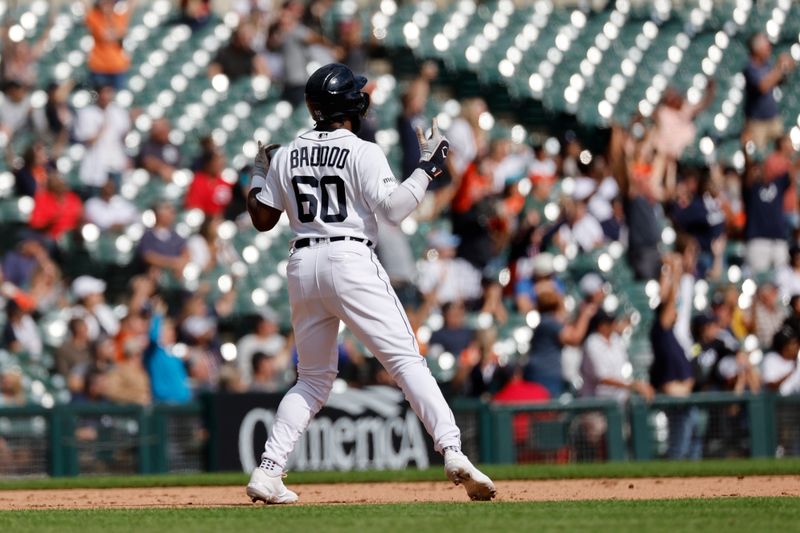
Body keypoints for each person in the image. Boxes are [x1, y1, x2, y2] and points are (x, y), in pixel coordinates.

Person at [244, 63, 495, 503]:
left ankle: (268, 469)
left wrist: (258, 171)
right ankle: (452, 451)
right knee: (405, 362)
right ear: (353, 104)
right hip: (350, 259)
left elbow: (263, 219)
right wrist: (430, 167)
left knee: (313, 379)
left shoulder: (288, 151)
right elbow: (395, 210)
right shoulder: (362, 149)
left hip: (303, 264)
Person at [649, 253, 699, 460]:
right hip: (674, 395)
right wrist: (675, 273)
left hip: (683, 396)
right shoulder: (661, 330)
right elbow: (669, 301)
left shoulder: (669, 333)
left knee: (691, 444)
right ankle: (671, 487)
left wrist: (670, 272)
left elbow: (668, 301)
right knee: (678, 448)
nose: (675, 312)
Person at [523, 289, 596, 397]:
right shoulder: (549, 322)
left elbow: (568, 329)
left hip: (542, 372)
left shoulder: (546, 321)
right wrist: (585, 314)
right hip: (545, 374)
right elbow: (575, 338)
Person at [580, 310, 654, 402]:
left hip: (619, 401)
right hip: (596, 403)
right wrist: (634, 385)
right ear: (601, 326)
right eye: (609, 323)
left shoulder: (616, 339)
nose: (613, 324)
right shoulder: (592, 342)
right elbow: (603, 378)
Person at [73, 84, 131, 194]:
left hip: (116, 162)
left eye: (109, 92)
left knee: (115, 198)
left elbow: (124, 138)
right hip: (95, 164)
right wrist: (101, 130)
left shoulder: (119, 112)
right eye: (103, 93)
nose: (106, 96)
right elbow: (86, 139)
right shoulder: (86, 113)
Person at [743, 33, 795, 151]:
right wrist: (779, 67)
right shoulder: (750, 68)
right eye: (766, 47)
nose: (769, 50)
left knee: (784, 148)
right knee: (758, 154)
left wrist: (786, 69)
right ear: (757, 49)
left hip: (772, 117)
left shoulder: (767, 64)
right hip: (756, 122)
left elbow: (777, 81)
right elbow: (763, 86)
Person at [85, 0, 135, 89]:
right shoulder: (94, 16)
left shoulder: (119, 17)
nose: (106, 4)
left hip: (118, 67)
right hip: (98, 66)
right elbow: (106, 35)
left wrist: (110, 18)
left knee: (118, 99)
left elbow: (119, 33)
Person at [137, 201, 189, 279]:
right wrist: (171, 263)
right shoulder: (148, 235)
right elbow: (148, 256)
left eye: (173, 212)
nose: (171, 215)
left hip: (174, 275)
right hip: (152, 275)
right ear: (157, 214)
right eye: (168, 211)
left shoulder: (177, 236)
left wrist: (179, 265)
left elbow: (186, 253)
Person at [236, 309, 287, 385]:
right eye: (267, 324)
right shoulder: (246, 342)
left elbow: (283, 366)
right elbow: (242, 368)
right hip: (250, 385)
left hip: (276, 384)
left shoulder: (280, 341)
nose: (272, 327)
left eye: (272, 324)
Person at [29, 171, 83, 242]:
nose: (61, 185)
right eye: (57, 182)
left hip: (71, 237)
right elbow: (35, 223)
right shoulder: (42, 198)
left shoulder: (73, 198)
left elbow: (80, 217)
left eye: (62, 182)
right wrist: (51, 220)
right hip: (48, 237)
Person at [185, 149, 233, 216]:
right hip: (205, 220)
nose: (220, 164)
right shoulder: (197, 181)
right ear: (208, 163)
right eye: (216, 161)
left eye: (221, 161)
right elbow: (194, 207)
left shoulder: (226, 181)